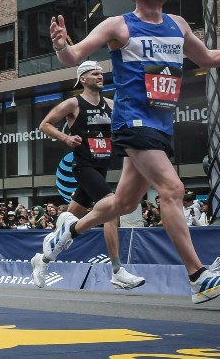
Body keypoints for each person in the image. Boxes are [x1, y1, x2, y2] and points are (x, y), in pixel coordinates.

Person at [38, 0, 220, 303]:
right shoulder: (118, 25)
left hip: (161, 124)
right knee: (173, 188)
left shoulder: (177, 25)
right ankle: (198, 278)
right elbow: (75, 57)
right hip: (132, 122)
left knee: (122, 202)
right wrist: (61, 45)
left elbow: (208, 58)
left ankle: (68, 231)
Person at [32, 60, 146, 290]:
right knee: (111, 210)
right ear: (83, 79)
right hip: (83, 167)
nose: (100, 76)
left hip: (102, 167)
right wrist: (66, 138)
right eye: (95, 74)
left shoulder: (111, 105)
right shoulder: (74, 103)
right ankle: (117, 271)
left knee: (67, 231)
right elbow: (44, 125)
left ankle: (42, 261)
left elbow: (127, 127)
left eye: (101, 73)